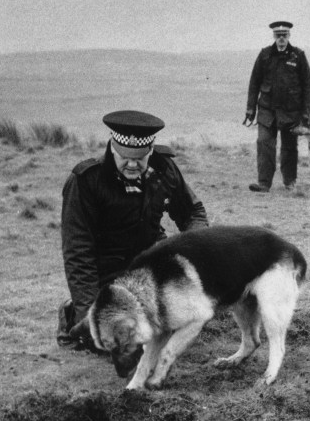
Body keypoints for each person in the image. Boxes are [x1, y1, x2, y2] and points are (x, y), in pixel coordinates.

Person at [57, 110, 209, 350]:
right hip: (107, 272)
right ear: (112, 148)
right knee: (123, 343)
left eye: (140, 158)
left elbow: (193, 212)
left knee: (185, 322)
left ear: (151, 150)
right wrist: (88, 312)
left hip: (150, 265)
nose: (132, 164)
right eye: (124, 157)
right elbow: (78, 252)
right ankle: (73, 313)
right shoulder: (86, 181)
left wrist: (194, 250)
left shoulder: (164, 168)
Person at [243, 20, 310, 193]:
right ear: (274, 36)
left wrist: (306, 115)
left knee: (289, 148)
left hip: (291, 112)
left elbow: (308, 86)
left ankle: (290, 183)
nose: (281, 38)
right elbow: (254, 83)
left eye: (284, 35)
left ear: (289, 36)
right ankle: (264, 184)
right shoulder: (265, 55)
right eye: (278, 35)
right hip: (267, 110)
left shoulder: (298, 56)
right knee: (264, 143)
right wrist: (250, 109)